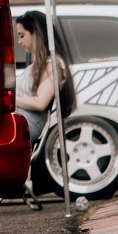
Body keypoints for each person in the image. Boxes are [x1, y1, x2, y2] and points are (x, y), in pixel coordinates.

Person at [15, 9, 77, 144]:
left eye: (21, 35)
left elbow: (40, 103)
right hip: (19, 118)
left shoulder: (53, 65)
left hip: (27, 123)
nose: (19, 42)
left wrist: (9, 98)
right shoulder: (36, 65)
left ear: (36, 34)